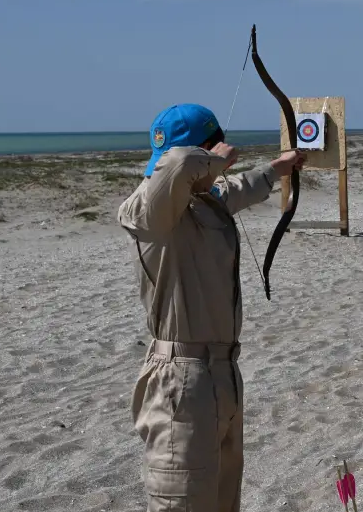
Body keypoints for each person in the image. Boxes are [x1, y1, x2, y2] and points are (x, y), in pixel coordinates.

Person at [117, 103, 305, 512]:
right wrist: (212, 157)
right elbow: (177, 165)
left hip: (221, 377)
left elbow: (238, 188)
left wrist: (278, 168)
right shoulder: (146, 210)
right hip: (179, 383)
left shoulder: (203, 200)